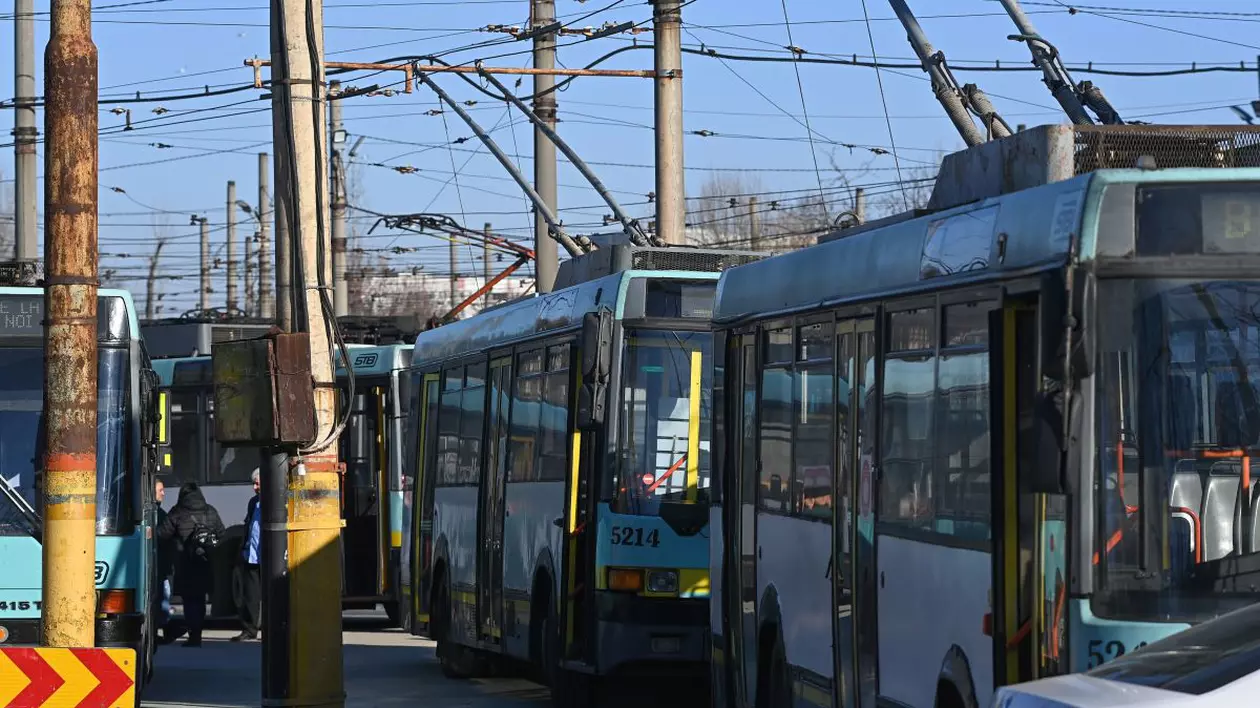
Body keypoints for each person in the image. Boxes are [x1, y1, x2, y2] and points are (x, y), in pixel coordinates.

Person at [157, 482, 224, 647]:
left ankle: (193, 634)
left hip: (184, 562)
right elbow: (221, 533)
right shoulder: (210, 511)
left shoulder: (178, 511)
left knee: (189, 600)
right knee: (200, 599)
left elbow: (162, 534)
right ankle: (197, 634)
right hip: (205, 562)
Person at [232, 468, 262, 641]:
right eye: (254, 483)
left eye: (258, 483)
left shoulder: (277, 501)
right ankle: (249, 629)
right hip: (252, 555)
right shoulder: (253, 502)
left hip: (269, 557)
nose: (255, 487)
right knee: (250, 596)